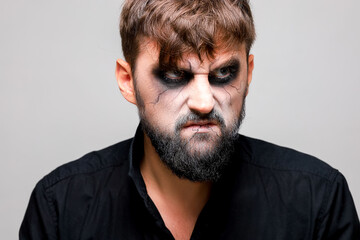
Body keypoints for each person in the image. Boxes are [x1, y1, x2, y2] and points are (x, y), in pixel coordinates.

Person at [20, 0, 359, 239]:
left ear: (249, 72)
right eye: (173, 75)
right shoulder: (60, 208)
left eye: (224, 73)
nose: (203, 102)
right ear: (127, 81)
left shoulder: (318, 200)